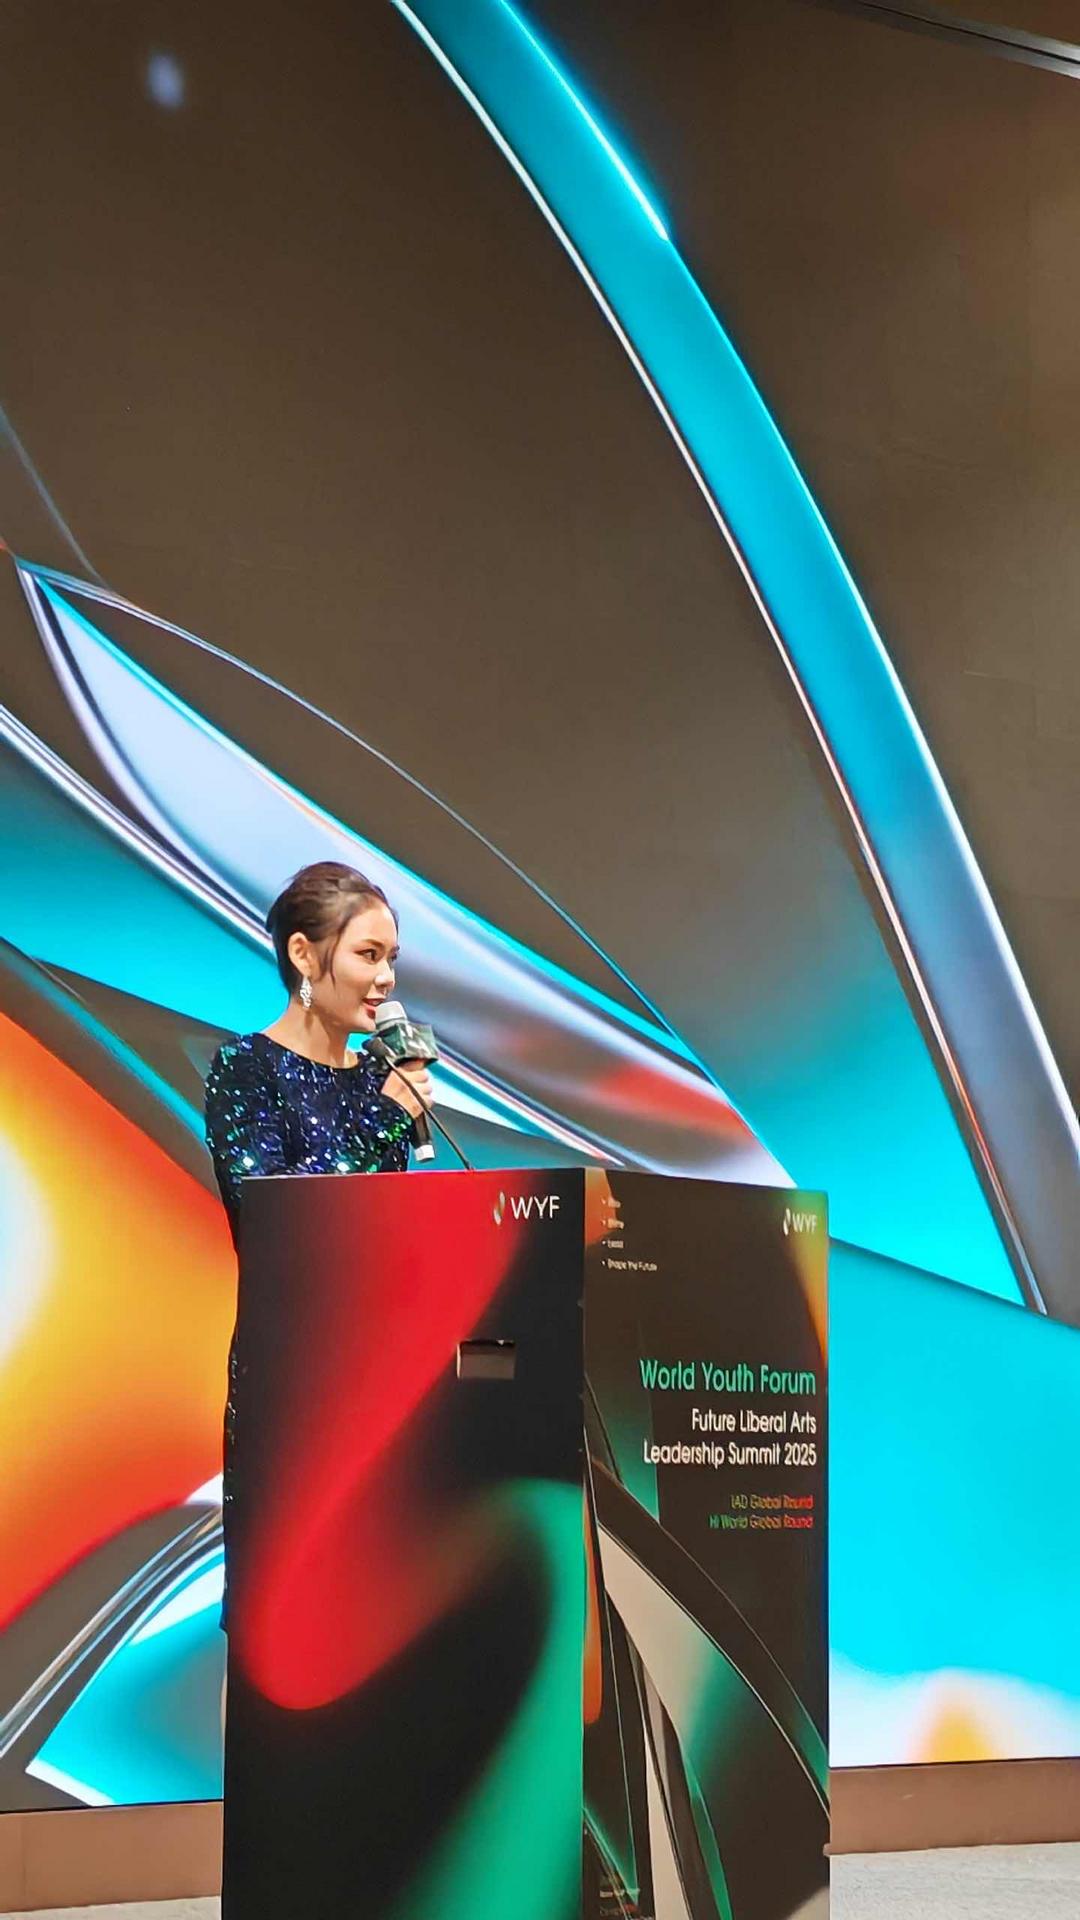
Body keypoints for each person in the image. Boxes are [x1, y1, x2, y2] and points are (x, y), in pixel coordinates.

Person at [204, 860, 433, 1632]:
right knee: (286, 1614)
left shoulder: (380, 1078)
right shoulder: (246, 1068)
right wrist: (385, 1117)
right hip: (291, 1383)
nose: (386, 978)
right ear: (304, 955)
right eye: (368, 955)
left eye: (391, 958)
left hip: (385, 1381)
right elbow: (275, 1215)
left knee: (381, 1615)